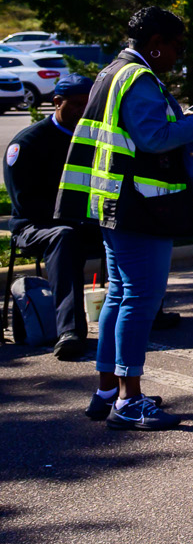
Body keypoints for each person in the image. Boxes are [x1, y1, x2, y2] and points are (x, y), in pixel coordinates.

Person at [59, 7, 193, 429]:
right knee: (140, 300)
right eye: (176, 47)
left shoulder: (115, 71)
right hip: (141, 206)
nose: (178, 56)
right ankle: (129, 400)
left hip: (114, 204)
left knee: (119, 295)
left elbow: (150, 127)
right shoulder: (140, 78)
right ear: (155, 44)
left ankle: (107, 389)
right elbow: (154, 137)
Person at [6, 75, 101, 360]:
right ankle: (69, 331)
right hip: (35, 225)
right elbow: (26, 203)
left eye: (89, 105)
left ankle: (143, 314)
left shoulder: (93, 136)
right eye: (75, 105)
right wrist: (73, 217)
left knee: (127, 228)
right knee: (64, 237)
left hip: (81, 221)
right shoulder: (29, 142)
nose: (83, 112)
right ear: (57, 102)